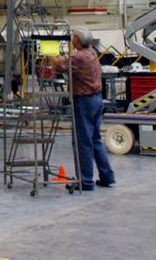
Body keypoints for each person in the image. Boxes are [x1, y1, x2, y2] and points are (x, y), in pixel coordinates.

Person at [50, 26, 115, 190]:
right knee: (95, 139)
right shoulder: (92, 53)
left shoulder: (79, 57)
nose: (72, 38)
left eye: (73, 36)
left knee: (83, 141)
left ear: (77, 39)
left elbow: (59, 65)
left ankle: (85, 181)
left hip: (84, 101)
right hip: (96, 100)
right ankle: (107, 176)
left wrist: (51, 54)